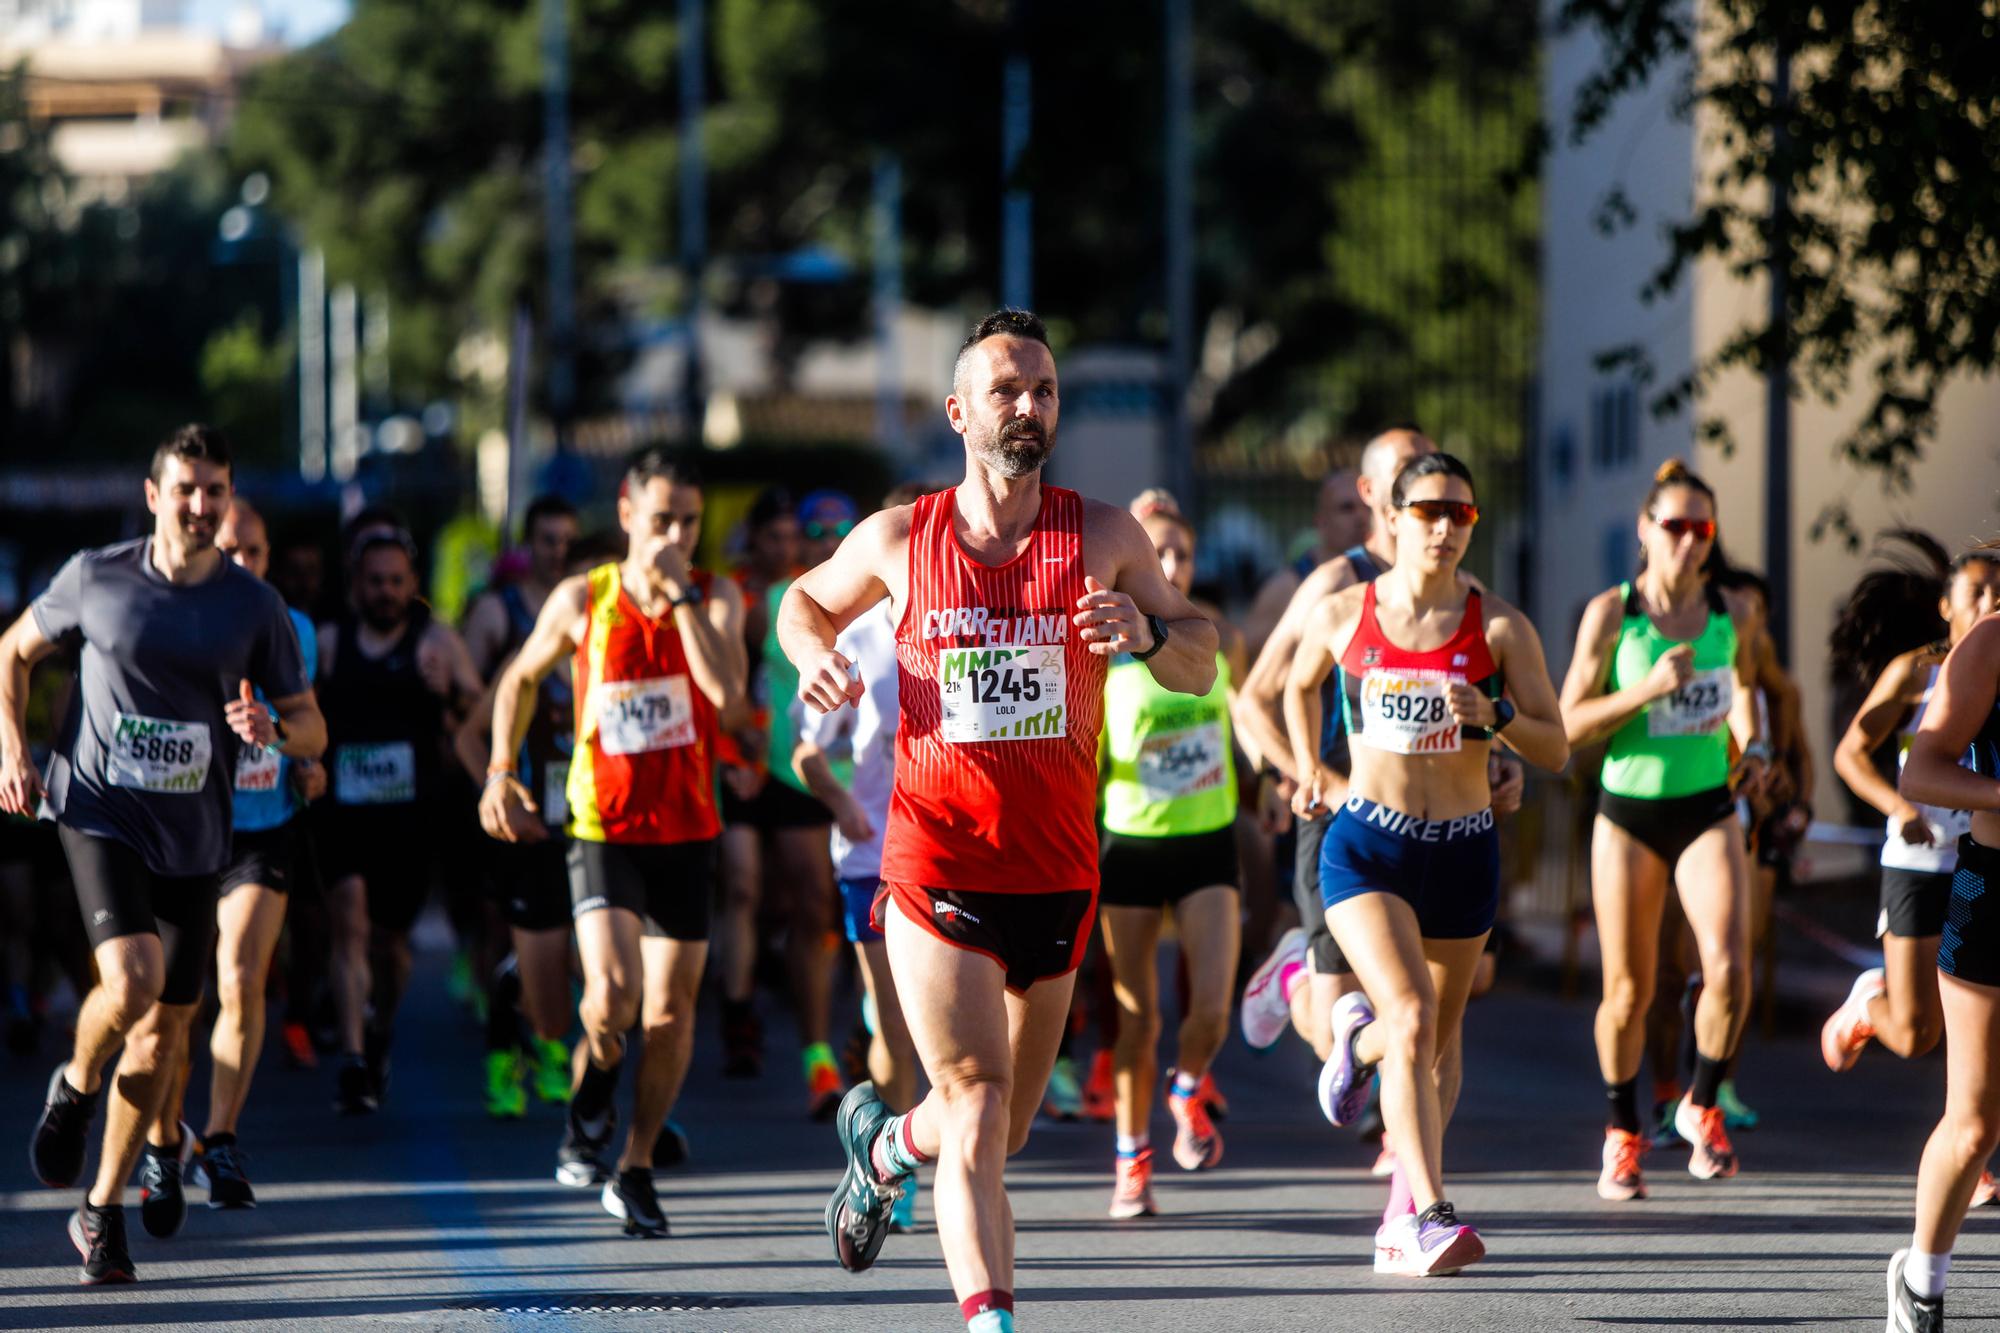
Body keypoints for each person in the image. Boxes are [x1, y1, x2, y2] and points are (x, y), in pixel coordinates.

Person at [782, 308, 1217, 1333]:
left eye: (1045, 390)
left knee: (998, 1127)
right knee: (973, 1100)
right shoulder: (901, 536)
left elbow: (1199, 659)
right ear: (958, 411)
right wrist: (812, 654)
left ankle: (885, 1149)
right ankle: (990, 1318)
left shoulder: (1104, 534)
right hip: (936, 863)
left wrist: (1150, 632)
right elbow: (801, 601)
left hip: (1057, 874)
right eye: (1007, 390)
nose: (1029, 406)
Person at [8, 425, 322, 1284]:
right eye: (185, 488)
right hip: (98, 808)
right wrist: (12, 748)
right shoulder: (95, 575)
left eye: (215, 490)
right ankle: (74, 1085)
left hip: (195, 833)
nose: (200, 505)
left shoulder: (253, 605)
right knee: (136, 980)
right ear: (154, 496)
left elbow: (312, 724)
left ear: (228, 500)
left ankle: (100, 1207)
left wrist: (277, 731)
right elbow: (13, 650)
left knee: (160, 1039)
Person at [1283, 451, 1567, 1276]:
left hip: (1466, 851)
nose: (1446, 527)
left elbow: (1556, 741)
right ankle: (1426, 1214)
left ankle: (1356, 1063)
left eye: (1463, 514)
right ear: (1396, 519)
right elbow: (1297, 685)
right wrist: (1310, 766)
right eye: (1431, 511)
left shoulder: (1501, 627)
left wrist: (1499, 712)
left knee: (1435, 1043)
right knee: (1408, 1015)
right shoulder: (1345, 611)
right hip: (1368, 844)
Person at [481, 447, 745, 1238]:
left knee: (669, 1013)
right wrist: (499, 769)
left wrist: (681, 603)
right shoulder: (583, 597)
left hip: (687, 830)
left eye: (690, 521)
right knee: (614, 997)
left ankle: (632, 1164)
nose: (677, 535)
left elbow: (728, 697)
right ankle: (594, 1083)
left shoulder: (716, 595)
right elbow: (519, 678)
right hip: (602, 826)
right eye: (662, 518)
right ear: (628, 515)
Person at [1558, 459, 1770, 1202]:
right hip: (1629, 813)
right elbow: (1566, 724)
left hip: (1707, 804)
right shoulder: (1613, 614)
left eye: (1700, 528)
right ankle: (1622, 1132)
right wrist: (1646, 688)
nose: (1686, 540)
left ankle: (1702, 1102)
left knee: (1729, 969)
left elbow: (1741, 688)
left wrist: (1758, 748)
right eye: (1673, 526)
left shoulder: (1732, 611)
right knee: (1628, 990)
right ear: (1646, 529)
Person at [141, 498, 325, 1217]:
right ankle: (164, 1140)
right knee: (177, 1003)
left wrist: (296, 750)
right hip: (184, 827)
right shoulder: (176, 620)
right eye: (232, 551)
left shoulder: (292, 627)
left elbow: (311, 729)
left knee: (242, 973)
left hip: (260, 826)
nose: (245, 564)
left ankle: (219, 1135)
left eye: (256, 552)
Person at [1096, 491, 1245, 1218]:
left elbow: (1245, 712)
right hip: (1129, 843)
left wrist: (1277, 778)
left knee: (1211, 1009)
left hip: (1207, 840)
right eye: (1158, 553)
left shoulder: (1217, 638)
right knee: (1138, 1018)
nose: (1173, 564)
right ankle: (1132, 1158)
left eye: (1181, 551)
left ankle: (1187, 1086)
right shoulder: (1101, 649)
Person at [791, 483, 928, 1234]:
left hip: (955, 852)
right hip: (872, 854)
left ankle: (904, 1141)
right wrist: (841, 802)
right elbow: (809, 751)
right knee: (897, 1019)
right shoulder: (861, 637)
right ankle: (891, 1167)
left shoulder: (967, 622)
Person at [317, 525, 485, 1114]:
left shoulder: (434, 639)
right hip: (343, 811)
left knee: (390, 946)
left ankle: (380, 1027)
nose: (385, 592)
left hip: (410, 817)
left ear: (412, 584)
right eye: (374, 582)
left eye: (395, 582)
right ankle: (354, 1059)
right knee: (349, 921)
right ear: (355, 585)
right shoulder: (331, 641)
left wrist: (451, 691)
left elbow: (480, 708)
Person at [1826, 542, 2000, 1082]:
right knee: (1915, 1033)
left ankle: (1973, 1149)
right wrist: (1897, 806)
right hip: (1921, 861)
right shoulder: (1916, 671)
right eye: (1976, 593)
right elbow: (1849, 753)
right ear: (1945, 605)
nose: (1990, 603)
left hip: (1981, 863)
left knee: (1976, 1024)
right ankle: (1866, 1004)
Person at [1886, 580, 2000, 1329]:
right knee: (1975, 1123)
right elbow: (1921, 769)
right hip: (1995, 891)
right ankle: (1920, 1282)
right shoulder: (1991, 642)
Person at [459, 497, 582, 1116]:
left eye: (568, 541)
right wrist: (498, 789)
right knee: (515, 946)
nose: (558, 552)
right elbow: (467, 732)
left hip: (588, 826)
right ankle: (508, 1052)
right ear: (528, 546)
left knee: (582, 952)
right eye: (547, 539)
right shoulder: (521, 651)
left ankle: (554, 1046)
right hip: (526, 825)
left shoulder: (600, 639)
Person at [715, 487, 802, 1082]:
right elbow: (719, 676)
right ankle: (737, 1011)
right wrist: (732, 744)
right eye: (774, 537)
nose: (785, 547)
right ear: (753, 540)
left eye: (791, 537)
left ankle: (792, 988)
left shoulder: (811, 587)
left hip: (796, 759)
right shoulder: (733, 593)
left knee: (798, 894)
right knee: (741, 885)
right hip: (740, 755)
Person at [1241, 465, 1369, 657]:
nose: (1361, 517)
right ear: (1320, 522)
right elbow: (1241, 655)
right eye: (1347, 508)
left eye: (1367, 508)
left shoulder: (1385, 577)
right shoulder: (1286, 586)